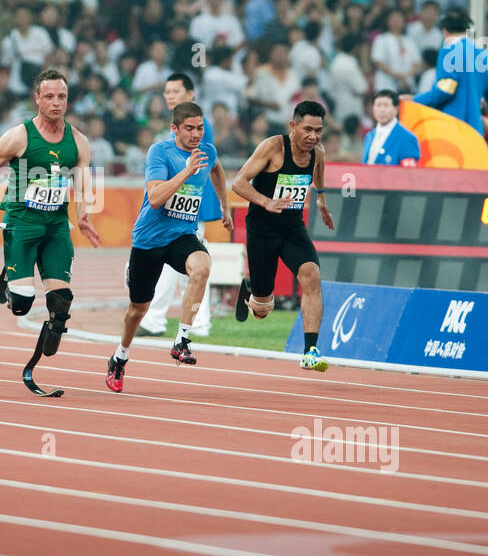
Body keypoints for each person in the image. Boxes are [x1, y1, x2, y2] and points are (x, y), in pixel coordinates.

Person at [0, 68, 101, 397]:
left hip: (54, 228)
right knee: (21, 306)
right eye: (49, 96)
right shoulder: (20, 136)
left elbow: (82, 179)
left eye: (61, 96)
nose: (56, 102)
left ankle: (43, 349)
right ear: (37, 99)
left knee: (61, 301)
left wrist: (83, 216)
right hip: (21, 225)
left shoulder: (78, 141)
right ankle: (10, 279)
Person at [105, 101, 220, 392]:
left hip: (182, 235)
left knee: (203, 267)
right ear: (175, 129)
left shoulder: (207, 151)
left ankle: (182, 340)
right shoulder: (160, 152)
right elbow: (155, 198)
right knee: (137, 310)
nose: (196, 134)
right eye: (189, 129)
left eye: (200, 128)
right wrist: (187, 171)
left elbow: (217, 170)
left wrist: (225, 207)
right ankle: (120, 355)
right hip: (150, 239)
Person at [230, 100, 335, 371]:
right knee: (263, 310)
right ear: (293, 126)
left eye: (319, 131)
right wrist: (266, 201)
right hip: (262, 231)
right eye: (308, 129)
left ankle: (310, 350)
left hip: (292, 228)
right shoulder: (272, 147)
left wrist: (321, 200)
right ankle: (252, 290)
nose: (313, 136)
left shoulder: (318, 153)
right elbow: (238, 182)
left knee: (311, 274)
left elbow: (318, 175)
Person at [137, 73, 231, 338]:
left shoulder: (197, 127)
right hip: (178, 208)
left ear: (190, 95)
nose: (169, 96)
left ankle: (182, 321)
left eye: (175, 91)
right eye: (166, 91)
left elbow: (210, 167)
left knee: (192, 267)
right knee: (183, 267)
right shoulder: (175, 130)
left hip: (190, 209)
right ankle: (170, 319)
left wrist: (221, 206)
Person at [411, 9, 488, 136]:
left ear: (445, 31)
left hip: (451, 127)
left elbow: (446, 89)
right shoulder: (484, 56)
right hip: (475, 131)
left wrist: (415, 100)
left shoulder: (449, 50)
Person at [363, 89, 421, 165]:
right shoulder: (369, 136)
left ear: (396, 109)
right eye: (378, 105)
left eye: (386, 105)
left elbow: (409, 173)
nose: (382, 110)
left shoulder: (407, 138)